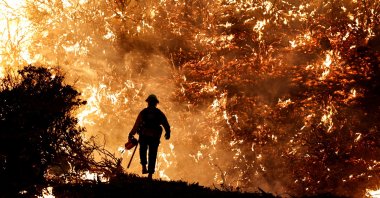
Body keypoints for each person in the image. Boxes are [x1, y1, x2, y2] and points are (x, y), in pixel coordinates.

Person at [128, 94, 171, 180]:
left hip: (144, 136)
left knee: (143, 151)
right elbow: (165, 124)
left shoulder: (144, 112)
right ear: (156, 103)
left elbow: (136, 124)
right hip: (154, 137)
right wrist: (168, 132)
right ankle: (150, 174)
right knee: (152, 154)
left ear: (148, 102)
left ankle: (144, 166)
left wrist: (131, 134)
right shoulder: (159, 113)